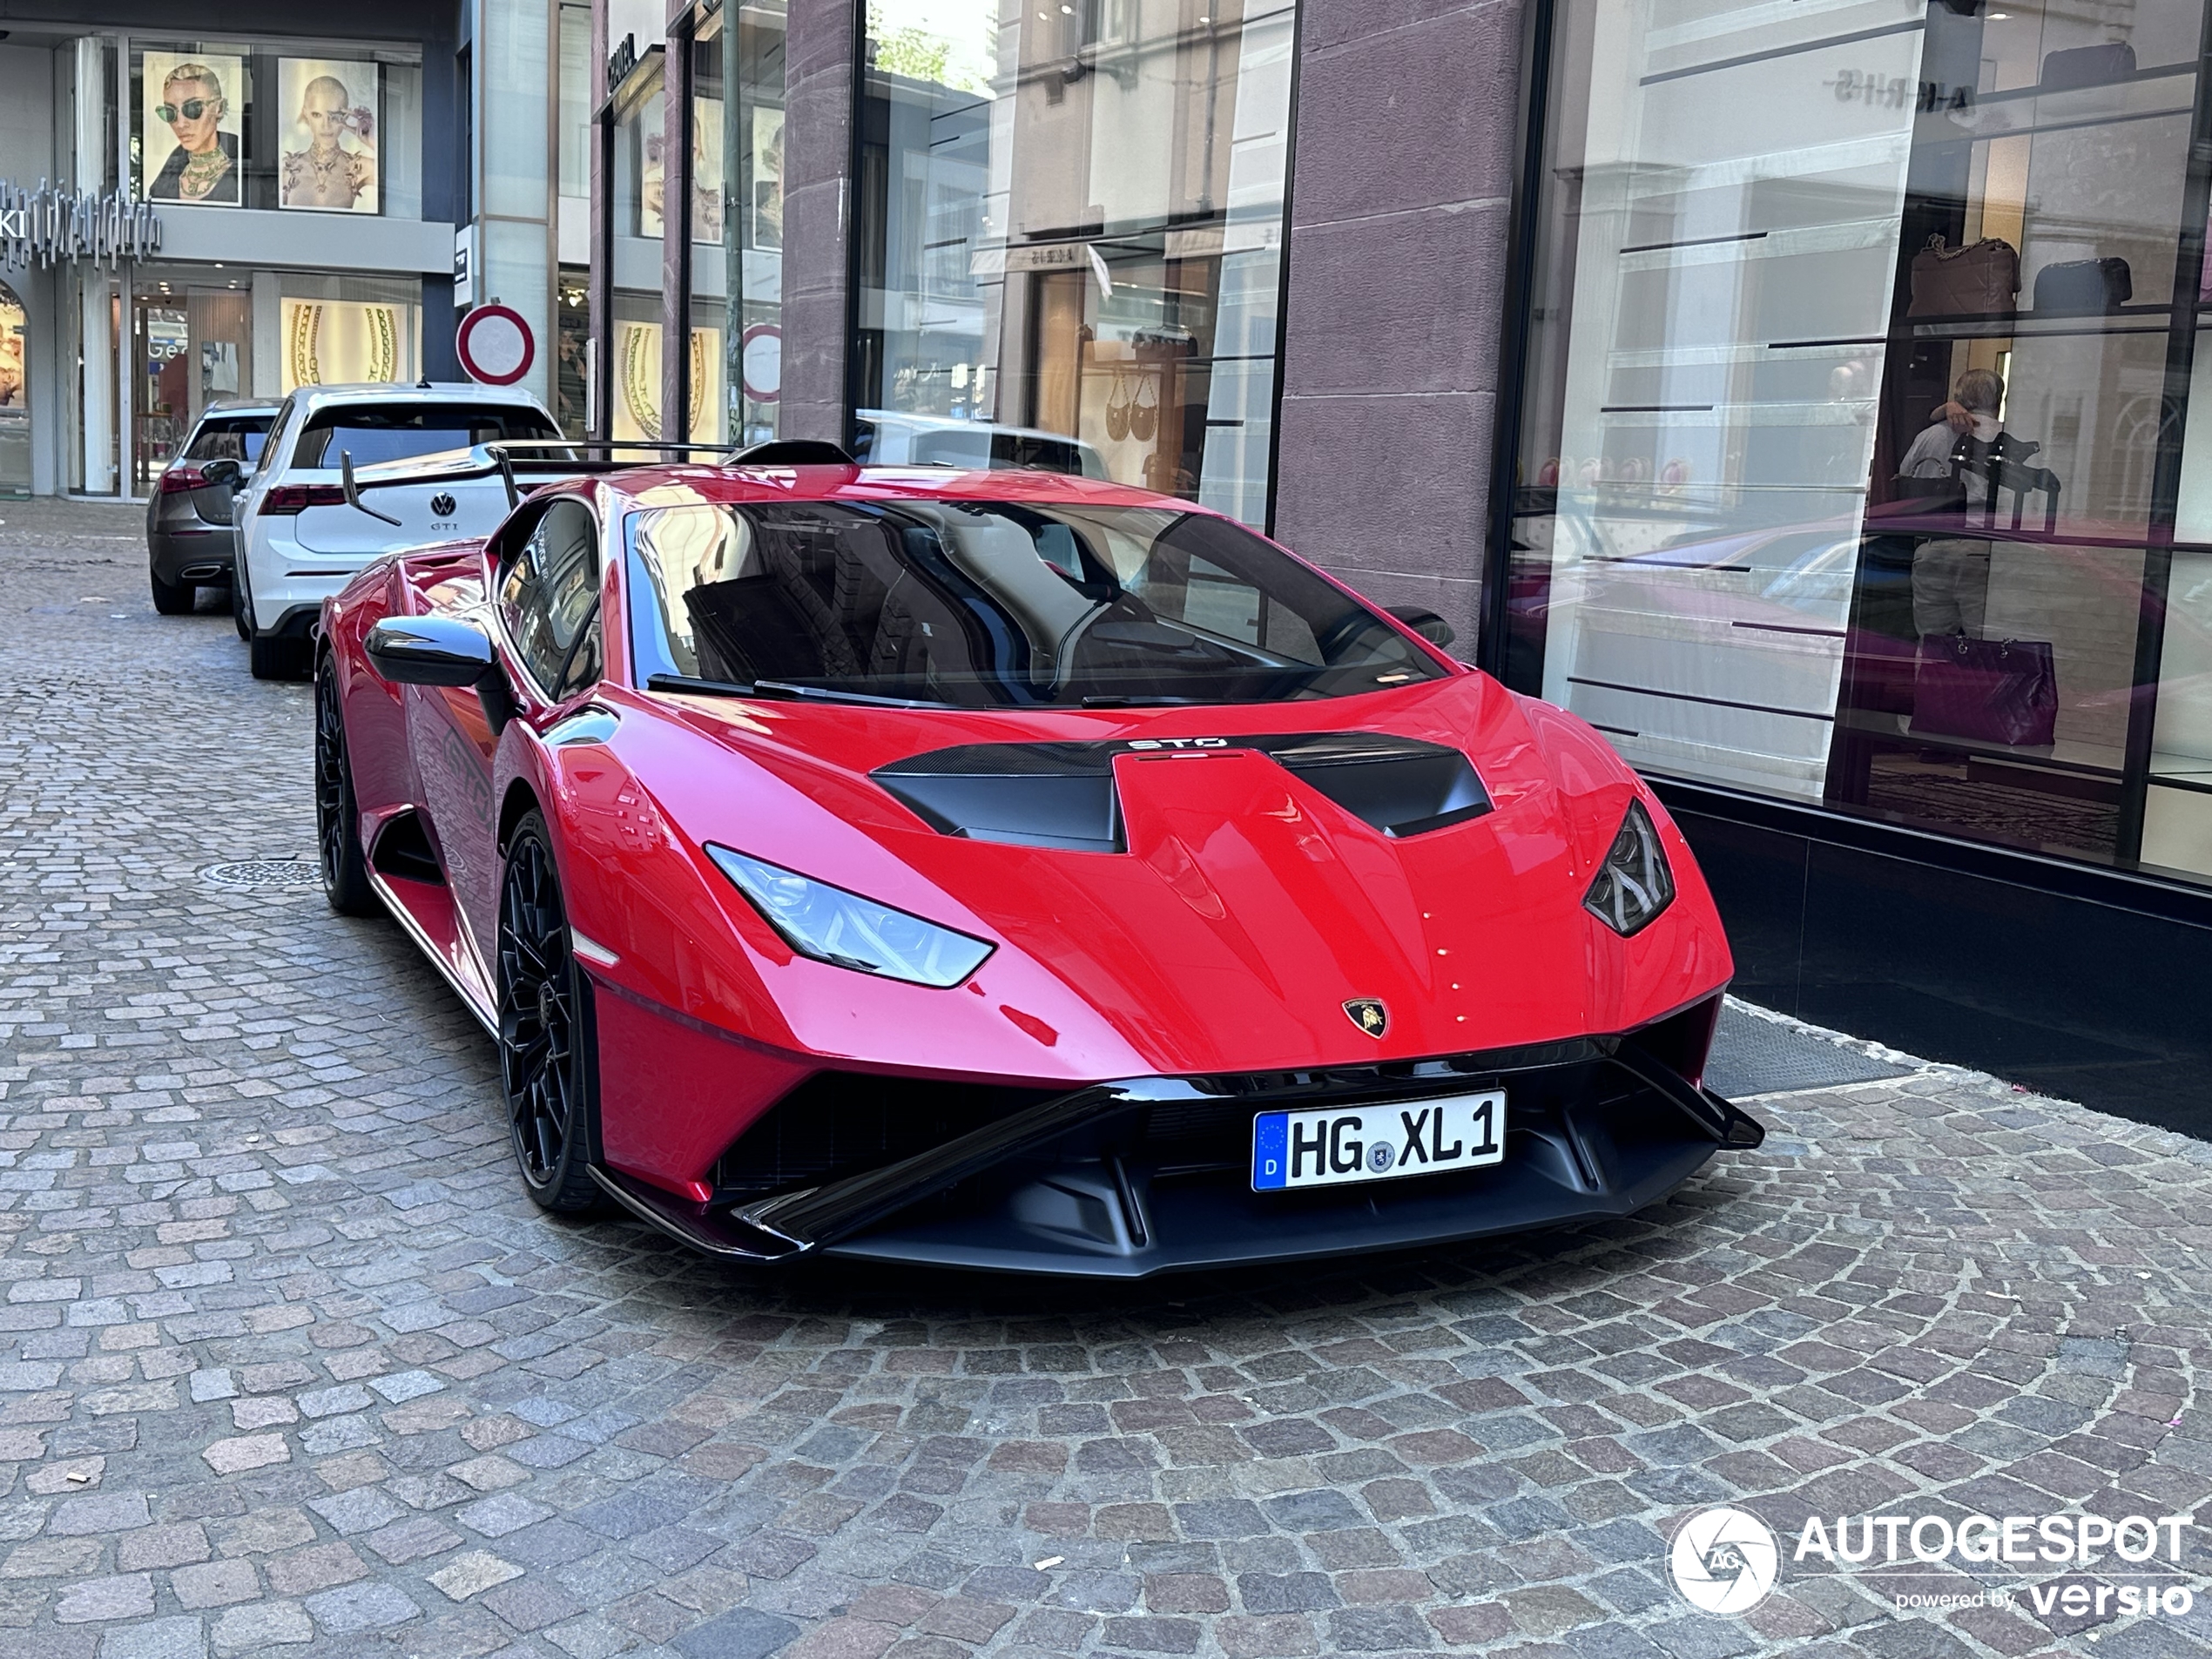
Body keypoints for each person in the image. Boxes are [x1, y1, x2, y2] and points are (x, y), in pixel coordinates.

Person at [1897, 368, 2045, 638]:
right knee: (1984, 645)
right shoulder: (2011, 439)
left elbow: (1905, 478)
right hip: (1985, 547)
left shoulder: (1930, 436)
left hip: (1932, 549)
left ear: (1958, 397)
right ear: (1999, 398)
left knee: (1932, 643)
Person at [281, 75, 376, 210]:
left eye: (335, 116)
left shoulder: (360, 167)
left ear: (346, 116)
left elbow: (404, 180)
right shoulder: (287, 168)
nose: (326, 125)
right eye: (317, 115)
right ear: (305, 113)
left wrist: (371, 141)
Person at [148, 64, 239, 205]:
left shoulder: (244, 164)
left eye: (193, 108)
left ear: (218, 108)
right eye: (169, 112)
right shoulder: (168, 174)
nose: (180, 123)